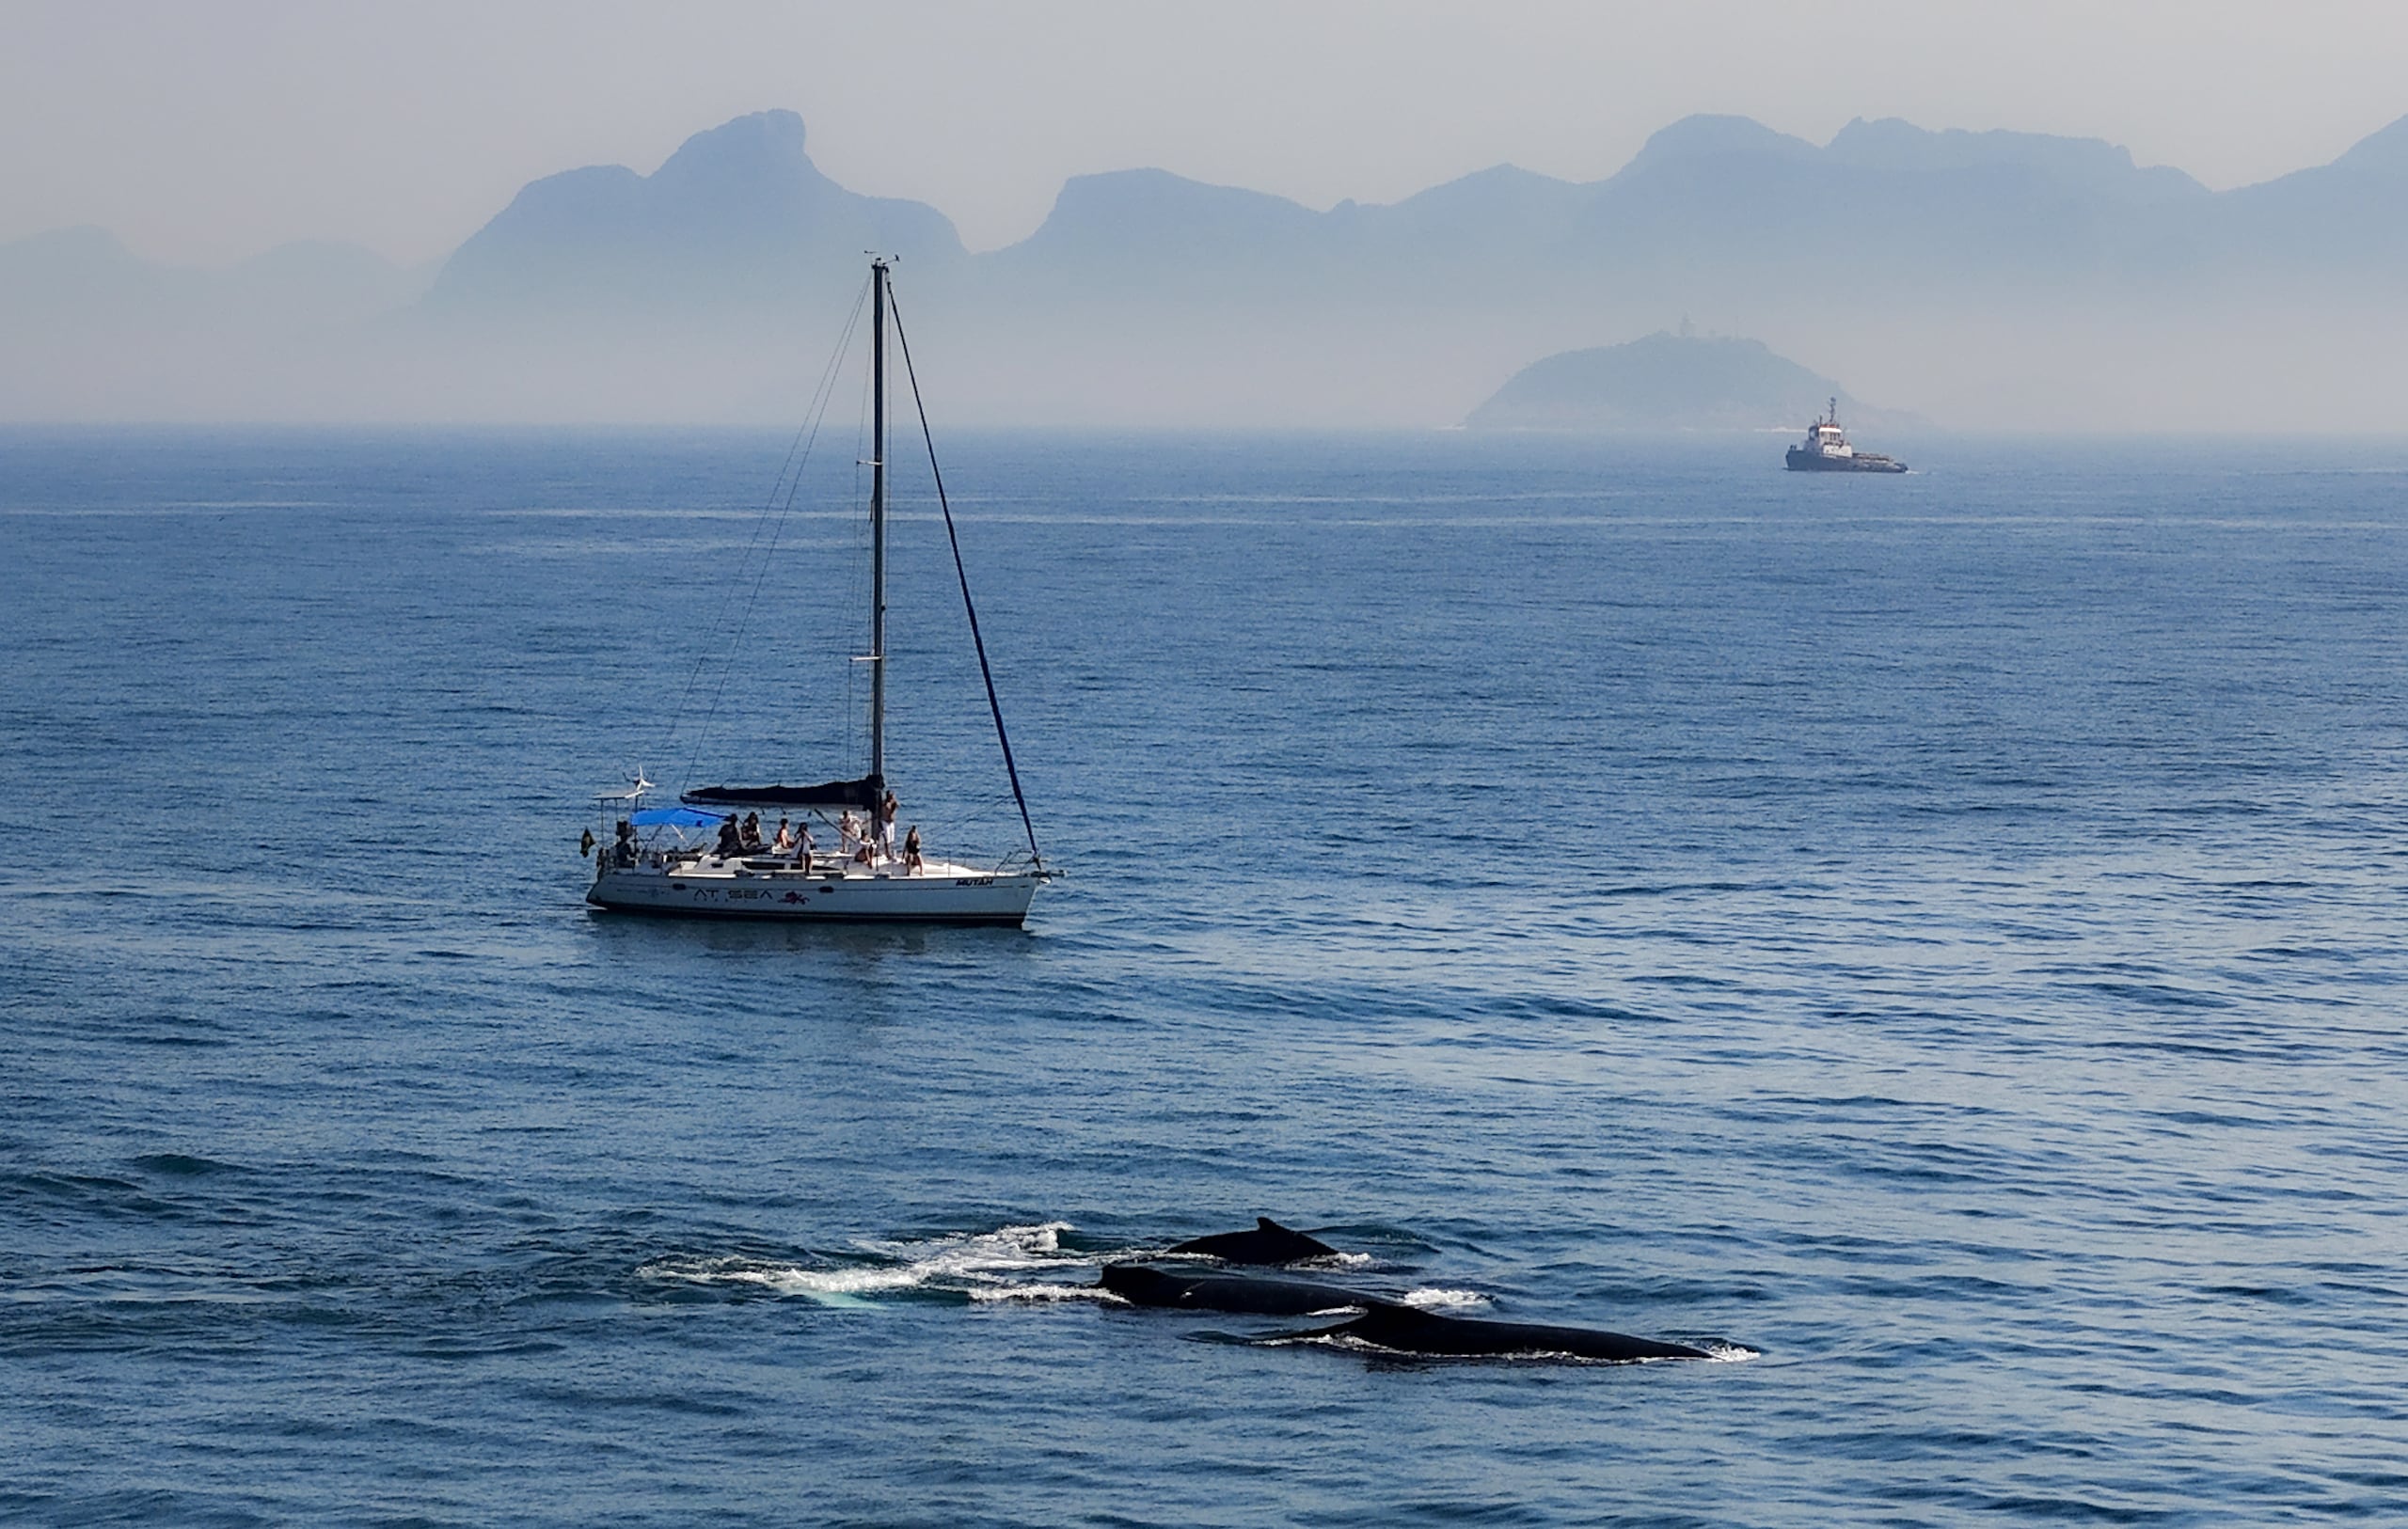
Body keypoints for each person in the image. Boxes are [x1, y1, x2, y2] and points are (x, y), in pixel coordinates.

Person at [879, 789, 899, 858]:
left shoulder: (893, 803)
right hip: (885, 821)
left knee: (891, 838)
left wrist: (894, 803)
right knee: (887, 838)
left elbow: (897, 806)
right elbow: (887, 807)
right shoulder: (885, 803)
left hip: (891, 822)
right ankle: (887, 852)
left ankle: (891, 851)